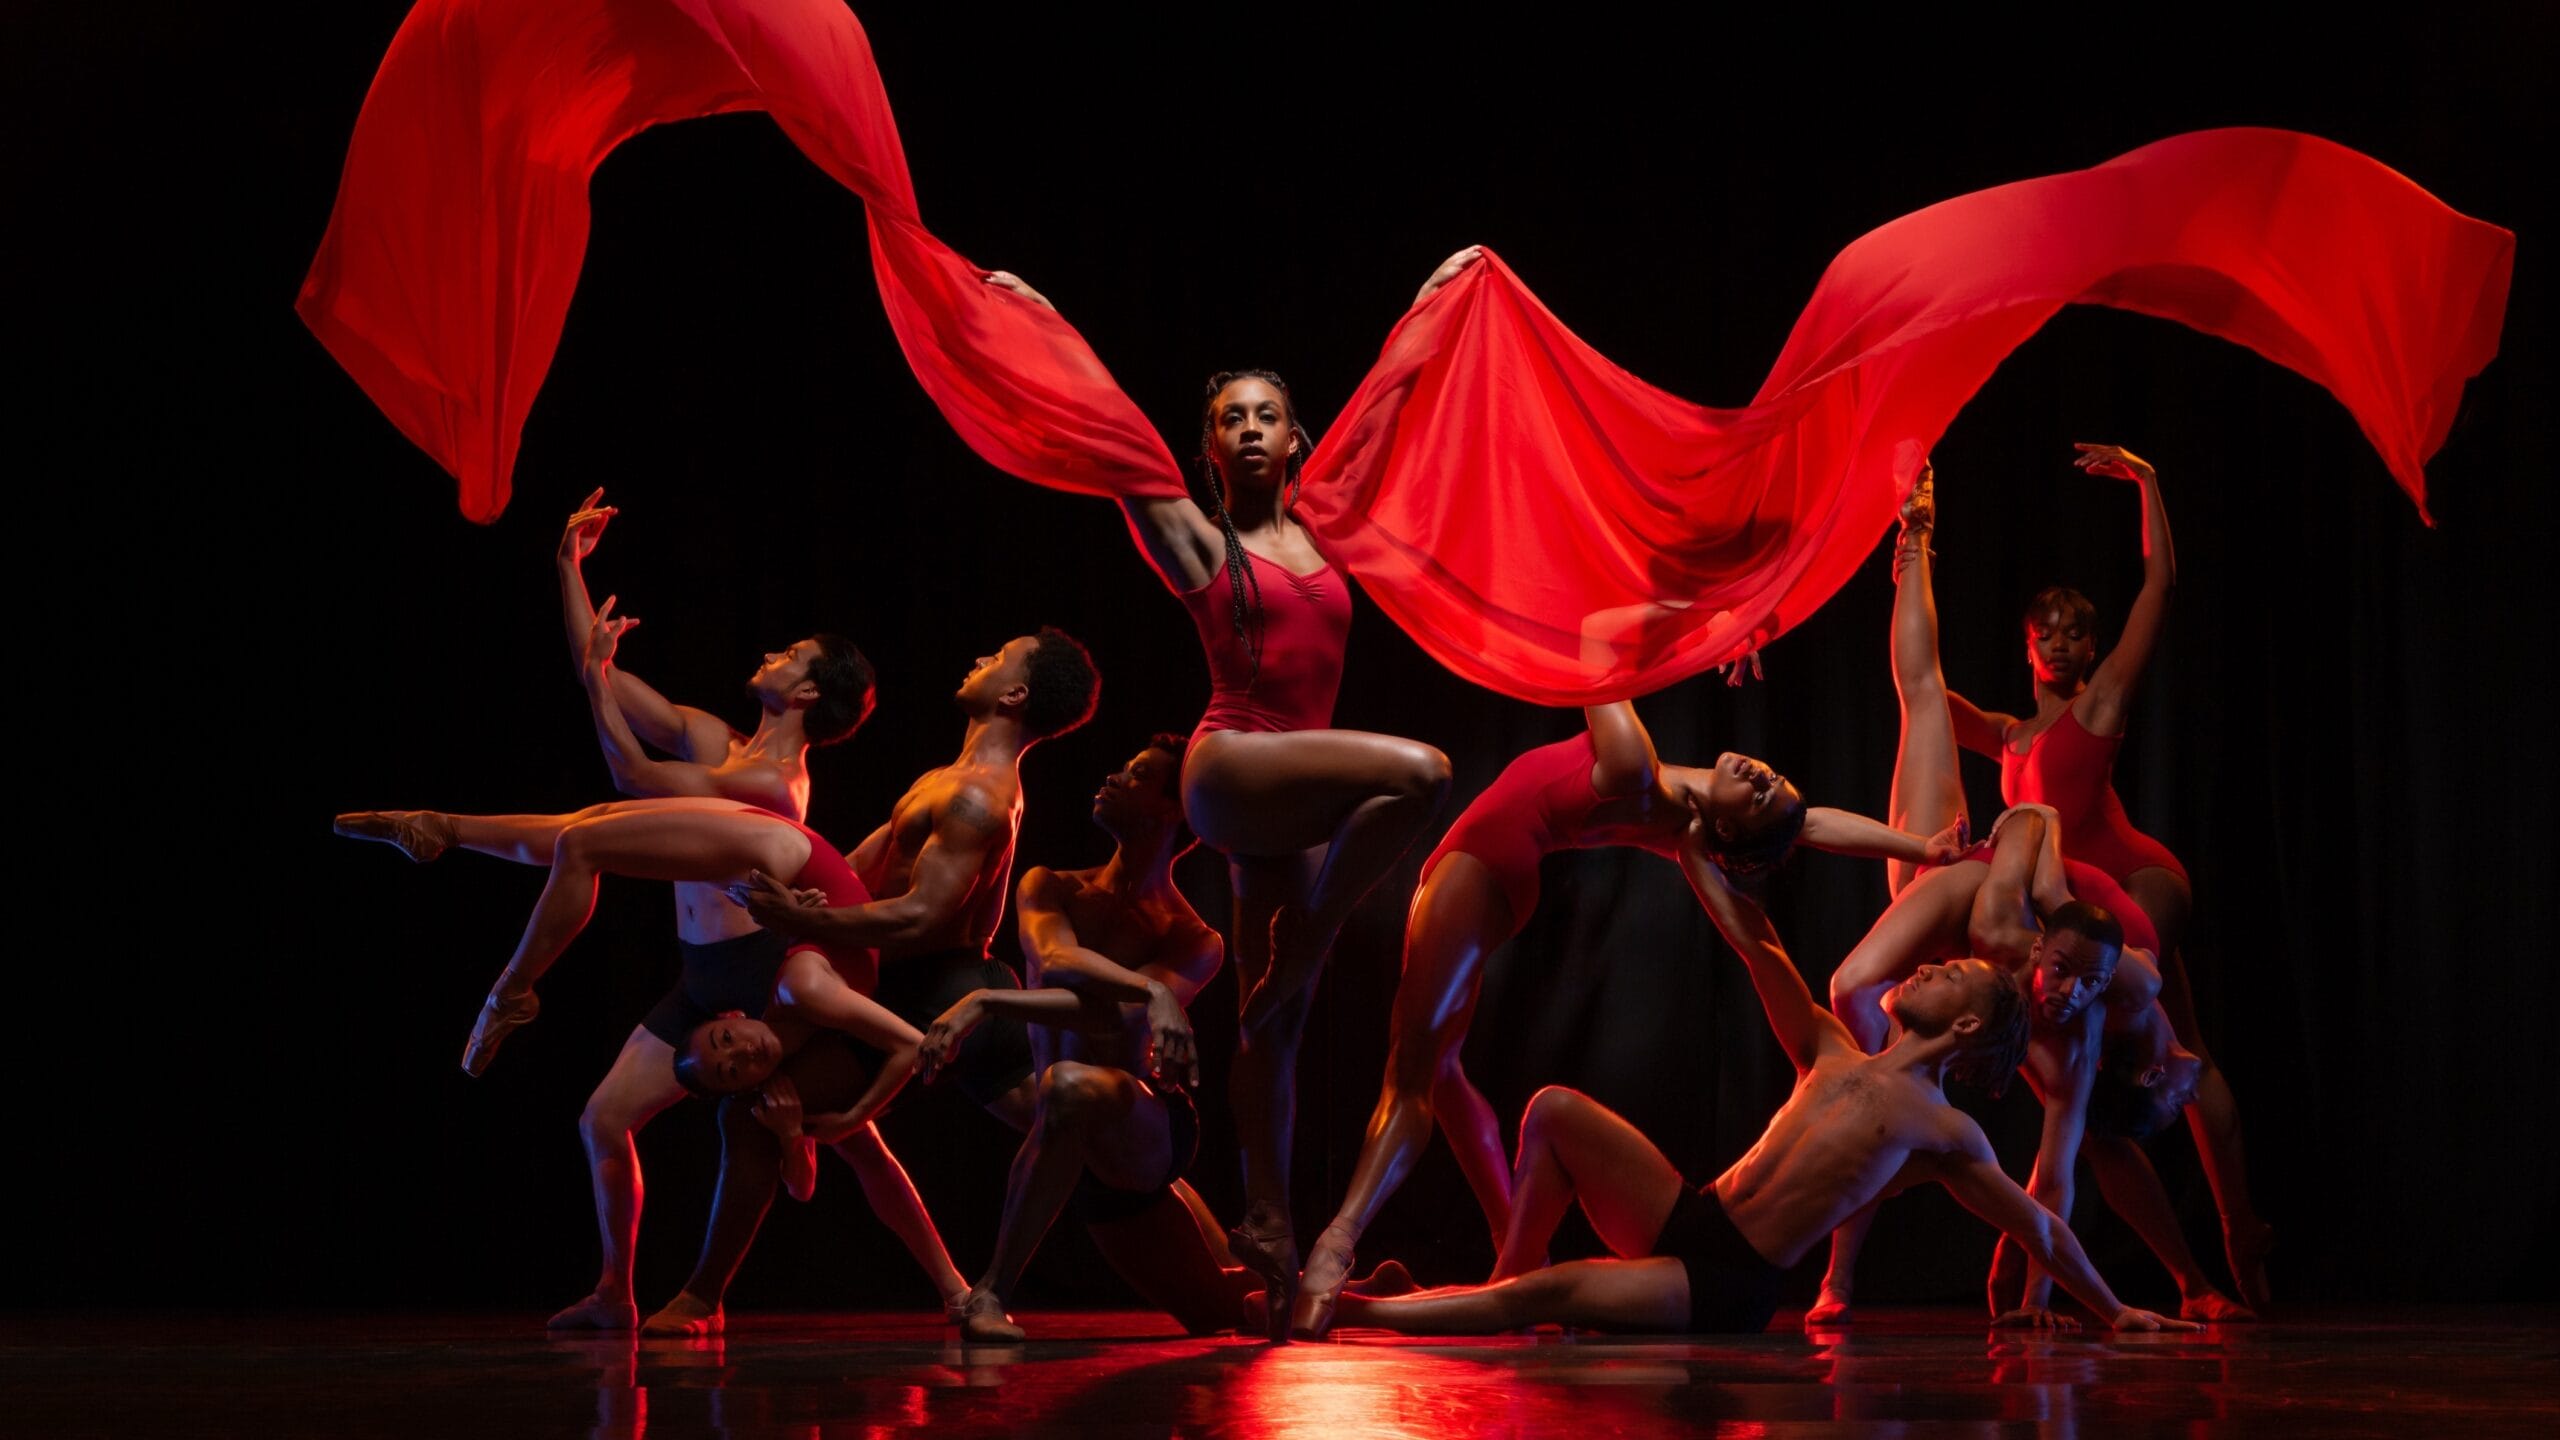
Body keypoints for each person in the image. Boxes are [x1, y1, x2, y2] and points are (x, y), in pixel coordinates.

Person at [977, 253, 1487, 1336]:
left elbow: (1390, 408)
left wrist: (1433, 304)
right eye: (1230, 420)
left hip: (1296, 803)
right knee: (1422, 775)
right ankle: (1306, 944)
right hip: (1232, 768)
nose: (1251, 429)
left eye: (1268, 416)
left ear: (1294, 440)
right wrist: (1048, 321)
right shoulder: (1203, 548)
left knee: (1280, 1029)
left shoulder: (1334, 534)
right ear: (1211, 450)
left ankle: (1268, 1228)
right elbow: (1114, 446)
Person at [1323, 827, 2198, 1336]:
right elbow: (1759, 945)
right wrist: (1690, 852)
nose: (1928, 971)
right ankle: (1491, 1301)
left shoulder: (1943, 1132)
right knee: (1553, 1111)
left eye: (1950, 974)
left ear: (1966, 1026)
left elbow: (2039, 1222)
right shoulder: (1829, 1049)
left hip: (1730, 1280)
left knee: (1559, 1286)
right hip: (1691, 1212)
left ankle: (1365, 1317)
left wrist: (2114, 1309)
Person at [1294, 700, 1966, 1335]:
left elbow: (1602, 634)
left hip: (1482, 869)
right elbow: (1807, 822)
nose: (1764, 773)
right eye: (1774, 779)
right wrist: (1919, 849)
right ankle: (1510, 1255)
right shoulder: (1680, 811)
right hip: (1501, 875)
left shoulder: (1634, 767)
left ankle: (1336, 1249)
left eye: (1763, 792)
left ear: (1730, 830)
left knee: (1410, 1074)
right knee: (1440, 1074)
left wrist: (1708, 611)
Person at [1942, 444, 2270, 1307]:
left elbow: (2158, 591)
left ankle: (2237, 1228)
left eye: (2074, 630)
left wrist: (2151, 482)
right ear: (2024, 643)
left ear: (2091, 646)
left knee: (2179, 1050)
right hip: (2083, 909)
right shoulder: (2009, 734)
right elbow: (1920, 689)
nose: (2060, 641)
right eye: (2044, 630)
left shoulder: (2100, 704)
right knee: (2092, 1104)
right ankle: (2205, 1258)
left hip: (2138, 881)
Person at [737, 628, 1102, 1130]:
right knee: (1069, 1138)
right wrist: (780, 888)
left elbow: (917, 918)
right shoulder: (944, 779)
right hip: (940, 979)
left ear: (1015, 695)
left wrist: (804, 918)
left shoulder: (977, 797)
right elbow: (853, 867)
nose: (980, 656)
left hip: (938, 990)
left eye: (997, 656)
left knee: (753, 1112)